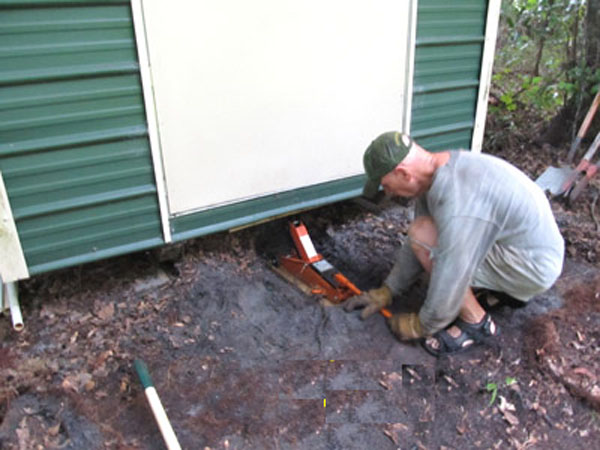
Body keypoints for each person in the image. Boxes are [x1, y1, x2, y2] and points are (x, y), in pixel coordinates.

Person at [344, 131, 564, 356]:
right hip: (517, 246)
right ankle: (502, 293)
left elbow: (452, 269)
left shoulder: (457, 202)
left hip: (533, 266)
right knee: (425, 233)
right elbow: (415, 241)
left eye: (386, 186)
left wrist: (422, 325)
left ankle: (477, 323)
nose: (388, 193)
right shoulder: (440, 172)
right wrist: (388, 290)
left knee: (435, 250)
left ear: (403, 173)